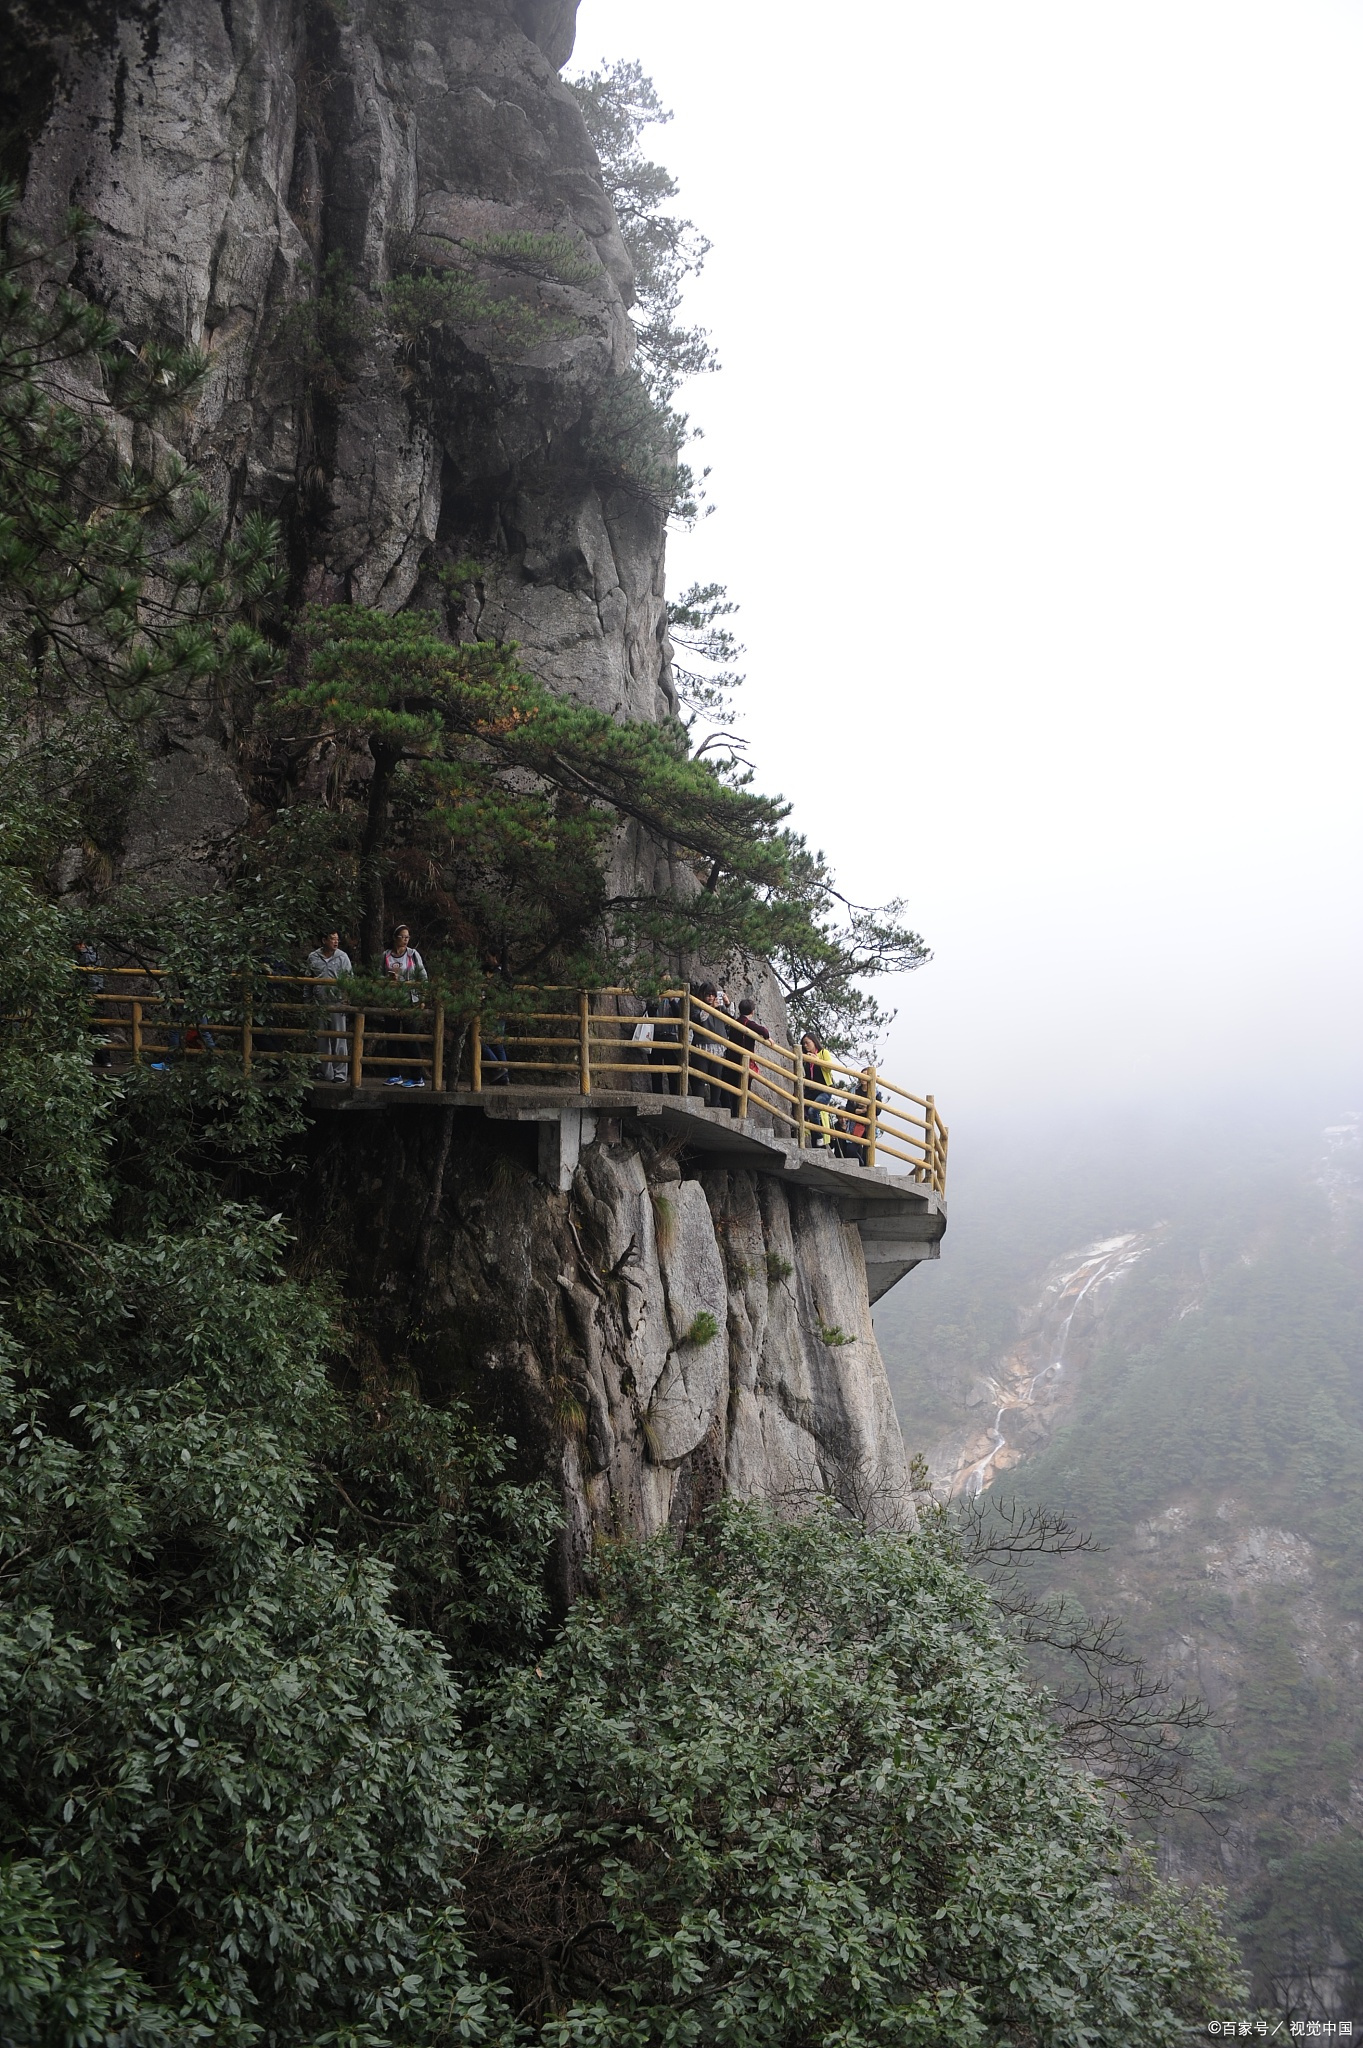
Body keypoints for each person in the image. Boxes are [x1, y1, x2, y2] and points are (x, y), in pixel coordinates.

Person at [382, 925, 428, 1086]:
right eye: (402, 937)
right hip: (391, 1000)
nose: (405, 940)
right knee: (391, 1037)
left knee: (411, 1038)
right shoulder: (386, 955)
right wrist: (388, 981)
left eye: (407, 937)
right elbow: (378, 976)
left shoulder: (413, 954)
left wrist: (422, 998)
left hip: (409, 1000)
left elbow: (423, 977)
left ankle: (417, 1076)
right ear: (395, 938)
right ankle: (395, 1074)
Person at [306, 931, 352, 1082]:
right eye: (332, 939)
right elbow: (308, 979)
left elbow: (349, 978)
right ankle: (325, 1072)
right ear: (324, 940)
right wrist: (307, 1000)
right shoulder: (313, 957)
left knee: (339, 1038)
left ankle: (340, 1073)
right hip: (319, 1002)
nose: (336, 942)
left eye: (337, 939)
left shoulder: (342, 957)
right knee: (321, 1039)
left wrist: (346, 998)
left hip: (337, 1002)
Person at [75, 941, 111, 1069]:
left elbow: (92, 977)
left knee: (95, 1025)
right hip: (95, 993)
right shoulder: (93, 953)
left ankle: (103, 1059)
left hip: (92, 994)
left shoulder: (87, 956)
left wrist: (90, 995)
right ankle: (102, 1058)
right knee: (97, 1026)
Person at [800, 1031, 835, 1147]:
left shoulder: (824, 1053)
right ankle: (814, 1140)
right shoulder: (805, 1057)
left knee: (813, 1111)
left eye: (807, 1043)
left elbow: (829, 1068)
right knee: (799, 1106)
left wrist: (816, 1059)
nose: (805, 1045)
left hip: (824, 1090)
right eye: (804, 1044)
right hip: (810, 1090)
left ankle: (819, 1138)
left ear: (814, 1042)